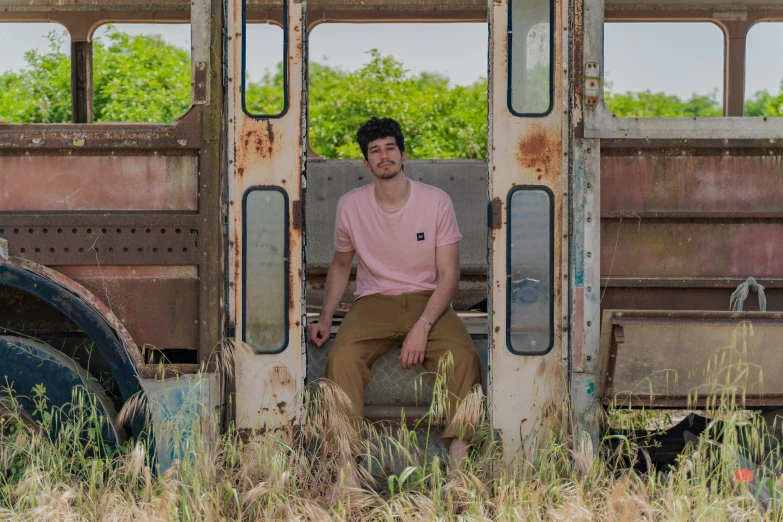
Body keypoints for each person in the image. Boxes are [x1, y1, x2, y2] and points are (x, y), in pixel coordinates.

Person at [308, 116, 482, 469]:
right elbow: (342, 265)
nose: (383, 156)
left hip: (428, 298)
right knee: (340, 361)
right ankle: (346, 474)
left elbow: (449, 276)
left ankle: (461, 470)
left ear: (404, 157)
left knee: (464, 357)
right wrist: (325, 317)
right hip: (373, 302)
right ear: (366, 162)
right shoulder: (351, 205)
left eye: (390, 148)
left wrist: (423, 325)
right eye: (375, 151)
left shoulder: (435, 201)